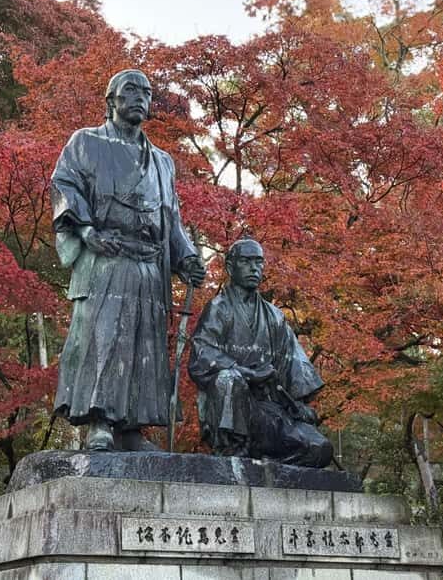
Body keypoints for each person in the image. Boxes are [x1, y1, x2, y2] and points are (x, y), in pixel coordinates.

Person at [51, 69, 205, 451]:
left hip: (150, 265)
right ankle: (100, 421)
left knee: (145, 346)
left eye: (147, 92)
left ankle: (132, 428)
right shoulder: (85, 142)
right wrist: (86, 231)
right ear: (111, 100)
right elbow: (64, 185)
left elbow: (171, 217)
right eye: (130, 90)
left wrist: (185, 257)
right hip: (107, 255)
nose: (140, 97)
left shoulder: (162, 162)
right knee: (104, 337)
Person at [189, 238, 332, 468]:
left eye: (258, 262)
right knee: (229, 378)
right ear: (230, 267)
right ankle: (233, 450)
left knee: (321, 449)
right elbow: (202, 353)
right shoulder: (218, 308)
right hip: (233, 409)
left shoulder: (274, 316)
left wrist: (300, 403)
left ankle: (270, 465)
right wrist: (247, 373)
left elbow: (293, 363)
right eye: (246, 262)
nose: (254, 268)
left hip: (269, 410)